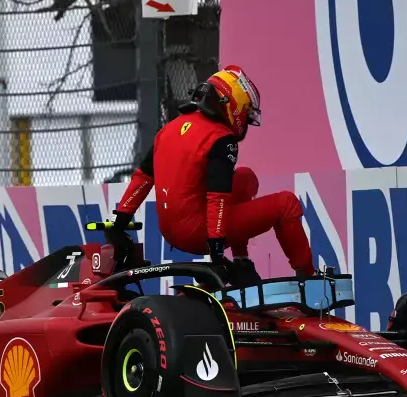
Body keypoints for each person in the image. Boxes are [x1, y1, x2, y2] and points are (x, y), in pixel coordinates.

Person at [108, 65, 315, 286]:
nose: (246, 120)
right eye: (246, 113)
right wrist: (217, 256)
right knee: (286, 204)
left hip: (169, 229)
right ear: (234, 105)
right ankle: (309, 278)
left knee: (245, 178)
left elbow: (143, 177)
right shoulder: (221, 138)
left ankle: (242, 260)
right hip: (197, 232)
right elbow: (218, 197)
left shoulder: (168, 129)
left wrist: (119, 223)